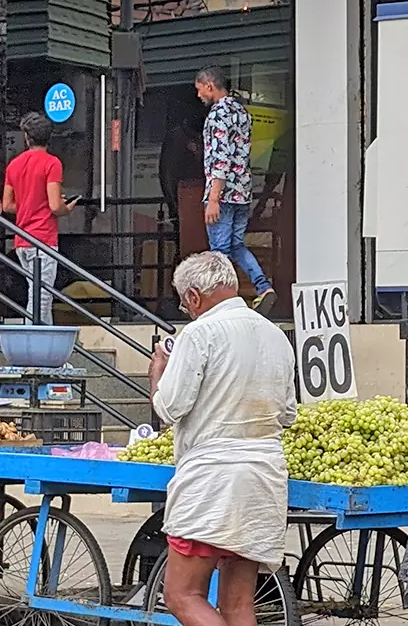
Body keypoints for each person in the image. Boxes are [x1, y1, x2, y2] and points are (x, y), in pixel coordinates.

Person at [152, 252, 296, 626]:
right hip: (263, 478)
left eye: (186, 303)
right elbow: (288, 414)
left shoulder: (200, 333)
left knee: (182, 595)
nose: (187, 311)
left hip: (212, 479)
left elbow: (169, 408)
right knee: (238, 607)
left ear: (195, 297)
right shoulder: (275, 334)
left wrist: (158, 372)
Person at [195, 67, 277, 316]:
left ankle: (222, 303)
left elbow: (220, 159)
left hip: (223, 193)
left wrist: (213, 198)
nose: (198, 96)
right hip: (242, 191)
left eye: (199, 90)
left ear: (210, 86)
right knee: (237, 245)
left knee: (219, 252)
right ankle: (263, 287)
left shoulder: (218, 114)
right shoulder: (242, 111)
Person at [2, 112, 79, 325]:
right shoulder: (52, 163)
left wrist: (29, 203)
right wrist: (67, 207)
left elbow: (7, 205)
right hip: (43, 238)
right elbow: (55, 206)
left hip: (21, 239)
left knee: (35, 292)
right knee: (41, 296)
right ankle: (32, 340)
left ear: (27, 137)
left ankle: (45, 343)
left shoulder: (13, 165)